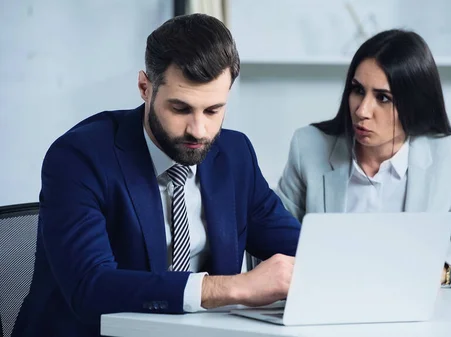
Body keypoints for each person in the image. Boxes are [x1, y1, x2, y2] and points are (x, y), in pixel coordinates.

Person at [12, 14, 299, 337]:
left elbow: (300, 247)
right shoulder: (79, 157)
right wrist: (232, 288)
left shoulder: (234, 155)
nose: (198, 130)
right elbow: (90, 287)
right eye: (180, 109)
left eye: (213, 110)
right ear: (145, 88)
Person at [276, 29, 451, 288]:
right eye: (358, 90)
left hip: (413, 313)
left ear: (415, 104)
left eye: (383, 98)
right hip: (328, 302)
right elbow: (270, 240)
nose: (362, 110)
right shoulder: (309, 146)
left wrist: (440, 273)